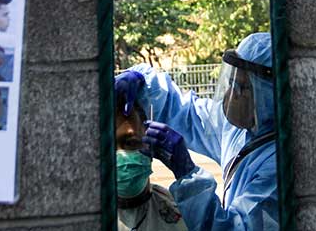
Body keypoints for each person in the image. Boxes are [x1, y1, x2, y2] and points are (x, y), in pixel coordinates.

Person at [115, 33, 278, 231]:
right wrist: (143, 82)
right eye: (231, 81)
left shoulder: (276, 165)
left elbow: (233, 228)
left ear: (268, 97)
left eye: (241, 87)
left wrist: (187, 174)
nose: (230, 95)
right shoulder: (242, 130)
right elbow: (185, 112)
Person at [115, 92, 187, 231]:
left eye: (130, 143)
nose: (120, 156)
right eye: (108, 146)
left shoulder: (180, 213)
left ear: (151, 145)